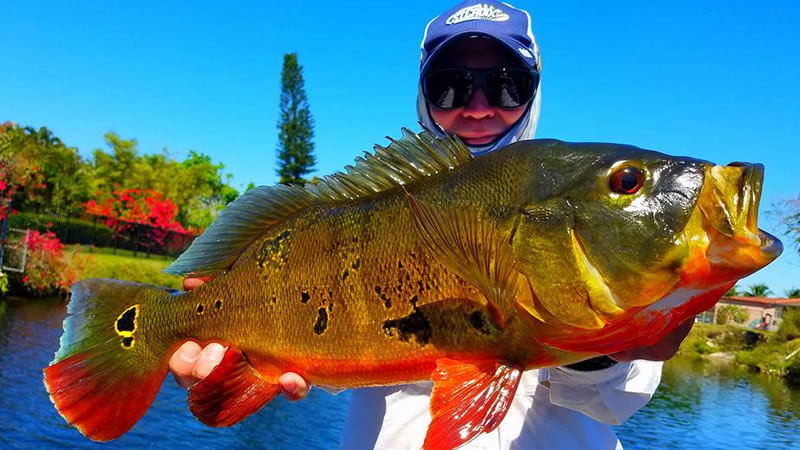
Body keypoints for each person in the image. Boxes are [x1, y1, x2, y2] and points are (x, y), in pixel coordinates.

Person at [170, 1, 695, 448]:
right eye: (451, 87)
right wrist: (222, 341)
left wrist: (594, 341)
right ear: (423, 94)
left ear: (534, 92)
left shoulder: (584, 201)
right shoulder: (381, 205)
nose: (478, 107)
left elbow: (615, 401)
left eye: (506, 85)